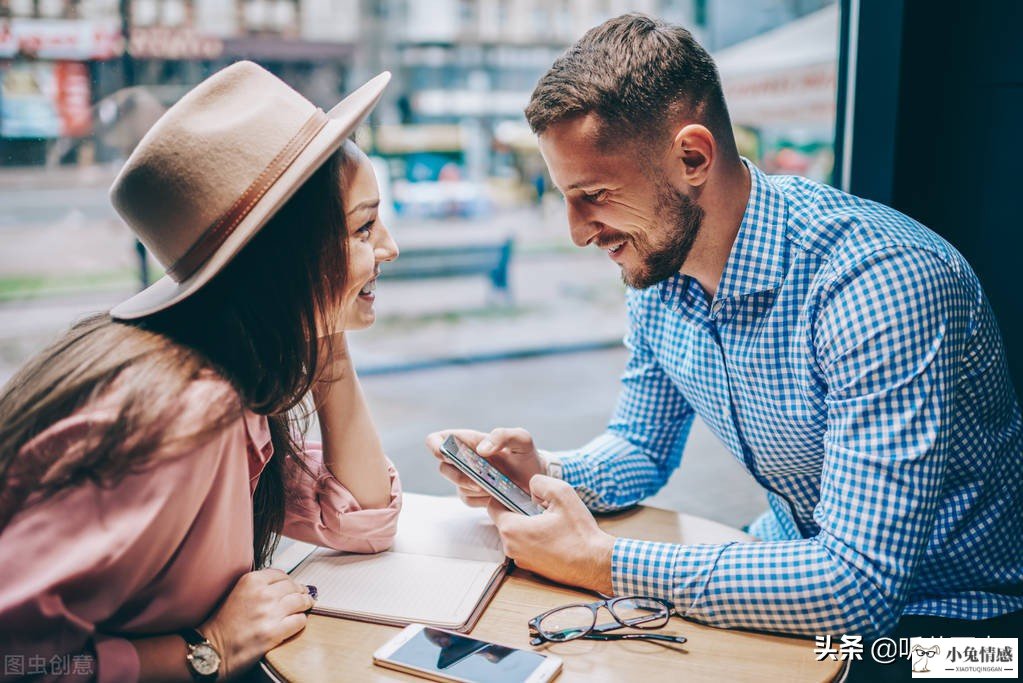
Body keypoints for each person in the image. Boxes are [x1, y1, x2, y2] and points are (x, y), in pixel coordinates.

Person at [427, 13, 1023, 646]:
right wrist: (544, 473)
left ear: (692, 157)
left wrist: (600, 561)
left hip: (968, 633)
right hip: (801, 569)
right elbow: (641, 446)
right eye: (567, 198)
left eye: (595, 194)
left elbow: (856, 587)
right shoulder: (659, 266)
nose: (577, 232)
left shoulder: (878, 282)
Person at [0, 61, 401, 682]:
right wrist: (206, 647)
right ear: (283, 257)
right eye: (364, 227)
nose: (389, 248)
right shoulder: (184, 410)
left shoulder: (234, 386)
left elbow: (362, 518)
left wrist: (326, 334)